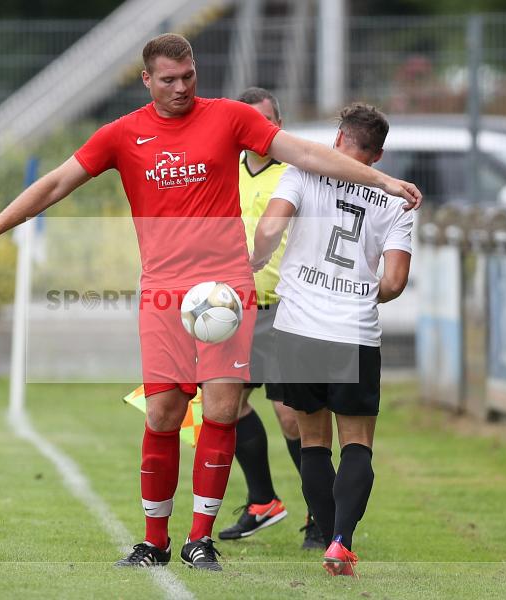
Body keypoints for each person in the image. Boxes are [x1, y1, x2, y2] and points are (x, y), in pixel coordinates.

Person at [0, 34, 421, 572]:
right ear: (146, 80)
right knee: (163, 412)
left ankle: (200, 539)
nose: (180, 88)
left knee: (221, 409)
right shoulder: (122, 134)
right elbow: (56, 183)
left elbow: (309, 153)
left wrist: (381, 179)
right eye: (167, 80)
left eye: (187, 76)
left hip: (225, 291)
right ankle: (154, 540)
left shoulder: (230, 118)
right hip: (164, 294)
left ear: (197, 72)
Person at [250, 102, 413, 576]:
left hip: (298, 329)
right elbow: (396, 281)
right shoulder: (397, 199)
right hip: (354, 332)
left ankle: (326, 535)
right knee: (357, 442)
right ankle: (340, 541)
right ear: (377, 156)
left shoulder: (301, 173)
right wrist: (360, 293)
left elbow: (271, 228)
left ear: (336, 140)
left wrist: (258, 258)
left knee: (314, 442)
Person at [217, 87, 322, 550]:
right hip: (232, 308)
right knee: (227, 406)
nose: (259, 131)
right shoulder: (224, 173)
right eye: (249, 121)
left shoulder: (297, 175)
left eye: (267, 121)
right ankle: (263, 502)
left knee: (292, 417)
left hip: (285, 308)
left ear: (278, 125)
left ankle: (322, 513)